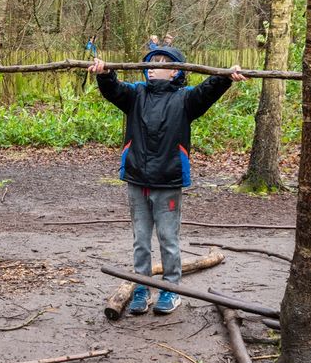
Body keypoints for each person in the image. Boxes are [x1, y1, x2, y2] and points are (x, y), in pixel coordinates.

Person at [88, 45, 246, 315]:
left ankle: (170, 291)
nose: (153, 65)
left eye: (161, 62)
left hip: (168, 180)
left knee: (168, 238)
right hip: (137, 179)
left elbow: (208, 90)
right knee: (140, 240)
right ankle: (141, 288)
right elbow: (113, 89)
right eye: (150, 61)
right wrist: (104, 74)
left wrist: (225, 76)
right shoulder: (136, 94)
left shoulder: (185, 99)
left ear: (176, 71)